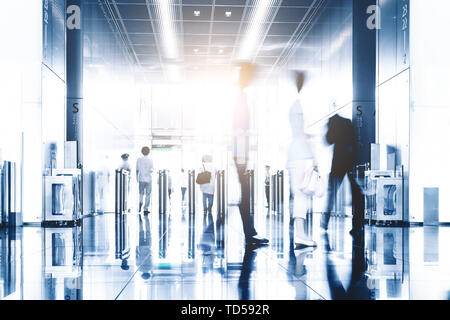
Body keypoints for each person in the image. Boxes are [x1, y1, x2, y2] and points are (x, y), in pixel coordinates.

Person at [232, 63, 269, 246]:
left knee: (245, 193)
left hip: (241, 151)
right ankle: (249, 233)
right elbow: (238, 129)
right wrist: (241, 156)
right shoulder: (240, 97)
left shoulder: (241, 96)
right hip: (240, 151)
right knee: (245, 193)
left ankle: (250, 232)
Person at [286, 72, 318, 248]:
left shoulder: (293, 105)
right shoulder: (297, 105)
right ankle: (300, 234)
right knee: (301, 196)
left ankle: (300, 233)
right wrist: (312, 153)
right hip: (300, 155)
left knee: (298, 195)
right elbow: (299, 128)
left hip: (294, 155)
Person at [321, 114, 365, 236]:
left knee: (331, 193)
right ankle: (357, 225)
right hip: (350, 162)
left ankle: (325, 221)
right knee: (355, 193)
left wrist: (328, 128)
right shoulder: (347, 122)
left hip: (338, 163)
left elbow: (328, 140)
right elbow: (353, 142)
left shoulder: (332, 122)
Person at [136, 146, 154, 214]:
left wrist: (137, 179)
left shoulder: (139, 159)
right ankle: (146, 209)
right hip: (148, 179)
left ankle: (140, 203)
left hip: (141, 179)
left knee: (141, 193)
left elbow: (137, 170)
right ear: (148, 152)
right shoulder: (150, 160)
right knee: (148, 194)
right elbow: (151, 170)